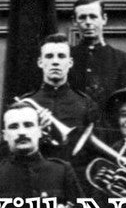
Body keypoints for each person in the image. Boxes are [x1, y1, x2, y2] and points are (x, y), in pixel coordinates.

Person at [11, 33, 97, 163]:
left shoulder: (86, 103)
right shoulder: (25, 104)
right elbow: (7, 151)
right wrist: (37, 132)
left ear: (70, 63)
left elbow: (94, 152)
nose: (55, 62)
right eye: (49, 56)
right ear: (40, 62)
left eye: (61, 56)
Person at [69, 0, 126, 115]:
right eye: (82, 17)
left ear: (104, 19)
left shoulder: (124, 60)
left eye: (93, 16)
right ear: (74, 21)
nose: (88, 22)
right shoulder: (66, 58)